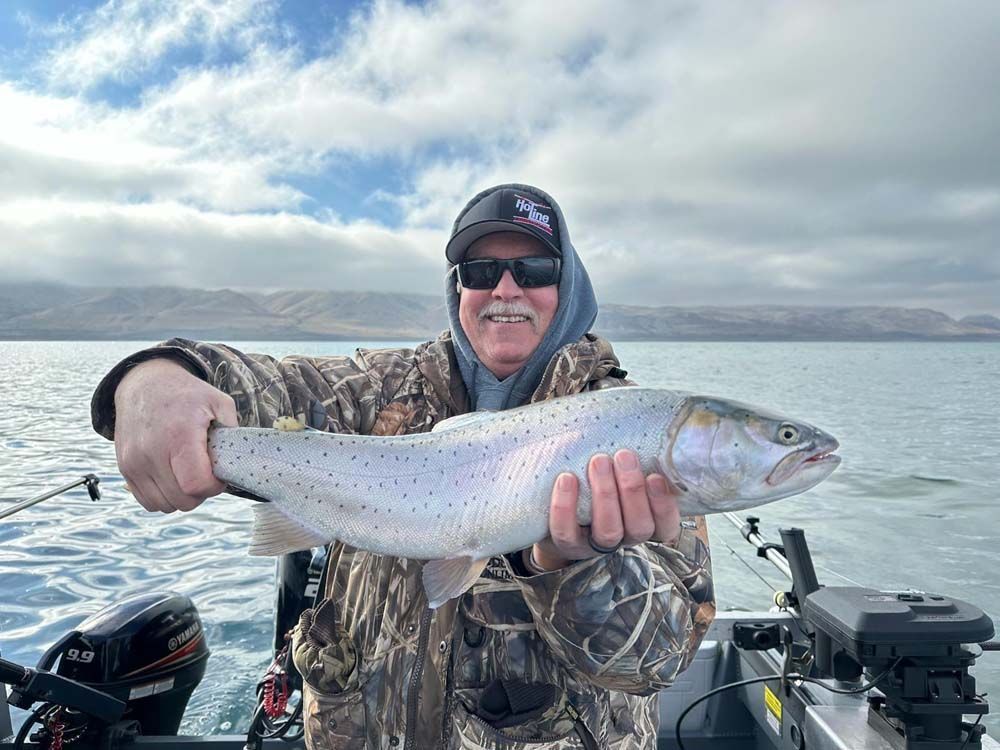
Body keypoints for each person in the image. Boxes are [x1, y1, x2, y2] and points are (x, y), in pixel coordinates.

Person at [91, 184, 715, 749]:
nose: (505, 288)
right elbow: (271, 388)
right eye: (480, 269)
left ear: (569, 284)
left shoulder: (631, 432)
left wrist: (569, 565)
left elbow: (653, 662)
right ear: (458, 288)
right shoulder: (377, 388)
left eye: (533, 268)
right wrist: (160, 376)